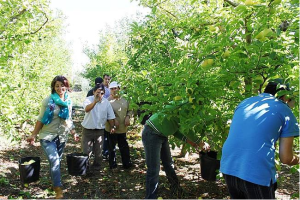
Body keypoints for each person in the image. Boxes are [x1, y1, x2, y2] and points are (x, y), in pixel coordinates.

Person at [220, 80, 299, 199]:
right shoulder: (285, 110)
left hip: (229, 166)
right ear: (284, 96)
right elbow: (286, 158)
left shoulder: (246, 102)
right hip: (255, 171)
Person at [142, 102, 210, 199]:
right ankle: (150, 197)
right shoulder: (183, 107)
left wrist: (188, 141)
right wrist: (200, 142)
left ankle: (176, 189)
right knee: (154, 168)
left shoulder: (183, 108)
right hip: (152, 133)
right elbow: (187, 130)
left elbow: (175, 130)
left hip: (161, 134)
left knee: (169, 163)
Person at [26, 75, 79, 199]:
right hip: (47, 137)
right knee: (55, 161)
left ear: (66, 87)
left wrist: (74, 133)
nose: (60, 88)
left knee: (56, 162)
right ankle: (58, 189)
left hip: (62, 137)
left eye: (62, 85)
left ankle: (54, 181)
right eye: (57, 86)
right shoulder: (48, 101)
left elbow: (68, 119)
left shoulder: (68, 102)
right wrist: (34, 134)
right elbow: (40, 119)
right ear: (54, 87)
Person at [81, 83, 116, 171]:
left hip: (100, 131)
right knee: (86, 151)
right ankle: (85, 169)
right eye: (98, 92)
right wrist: (95, 102)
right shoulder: (89, 100)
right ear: (93, 92)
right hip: (87, 130)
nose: (100, 95)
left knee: (98, 152)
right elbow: (87, 109)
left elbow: (110, 116)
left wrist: (113, 126)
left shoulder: (106, 102)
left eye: (102, 93)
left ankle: (96, 169)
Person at [105, 81, 133, 169]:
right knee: (111, 147)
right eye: (112, 89)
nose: (114, 90)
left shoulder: (125, 100)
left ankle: (126, 163)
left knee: (124, 146)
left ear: (119, 89)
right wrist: (112, 120)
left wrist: (128, 116)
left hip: (122, 127)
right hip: (111, 128)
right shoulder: (107, 101)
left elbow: (131, 110)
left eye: (115, 88)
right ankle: (112, 165)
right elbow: (104, 114)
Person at [102, 74, 111, 159]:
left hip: (111, 112)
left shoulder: (111, 88)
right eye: (106, 79)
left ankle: (107, 151)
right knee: (104, 133)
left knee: (108, 133)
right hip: (103, 112)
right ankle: (104, 151)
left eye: (108, 79)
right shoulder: (101, 88)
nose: (107, 81)